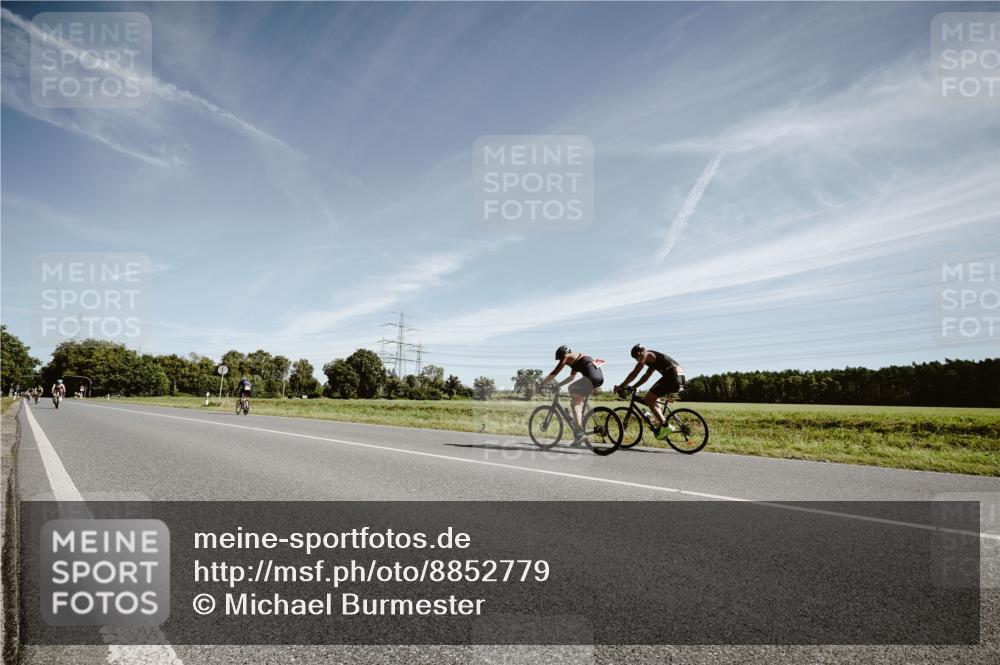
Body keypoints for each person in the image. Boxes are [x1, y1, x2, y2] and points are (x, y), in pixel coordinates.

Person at [614, 344, 685, 440]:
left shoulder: (646, 355)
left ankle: (665, 426)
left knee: (648, 398)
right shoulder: (653, 360)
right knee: (654, 398)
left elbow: (635, 372)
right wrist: (634, 387)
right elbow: (646, 377)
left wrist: (622, 386)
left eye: (636, 358)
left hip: (672, 377)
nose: (637, 360)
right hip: (679, 377)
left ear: (638, 353)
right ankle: (661, 422)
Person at [539, 345, 604, 446]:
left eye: (560, 359)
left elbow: (555, 372)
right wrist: (558, 385)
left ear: (562, 355)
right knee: (575, 396)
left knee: (574, 401)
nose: (563, 362)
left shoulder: (566, 356)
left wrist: (542, 384)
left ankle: (579, 432)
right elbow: (572, 377)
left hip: (590, 379)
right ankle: (578, 427)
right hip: (599, 378)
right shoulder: (577, 358)